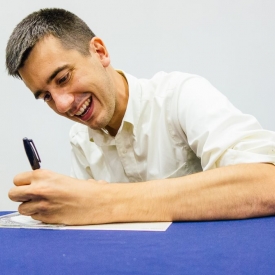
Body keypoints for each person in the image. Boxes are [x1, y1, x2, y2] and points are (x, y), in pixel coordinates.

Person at [6, 8, 275, 225]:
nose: (62, 105)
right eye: (46, 97)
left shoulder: (181, 95)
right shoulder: (80, 139)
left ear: (99, 52)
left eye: (64, 78)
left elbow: (267, 183)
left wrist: (102, 201)